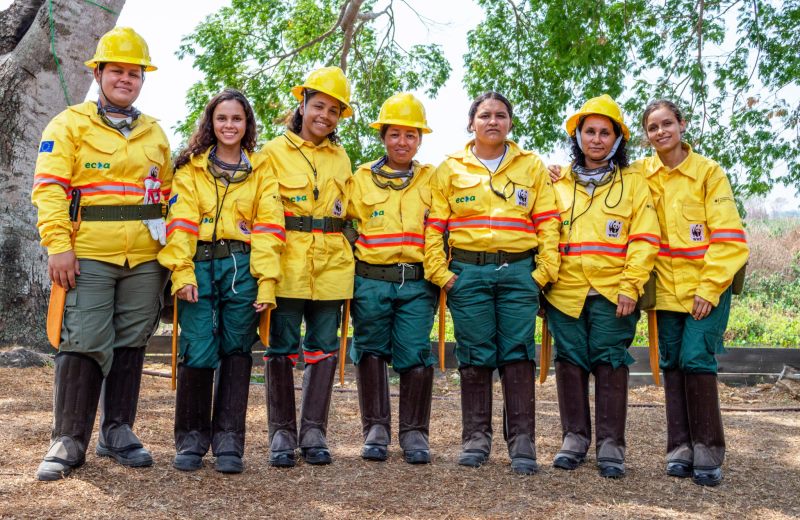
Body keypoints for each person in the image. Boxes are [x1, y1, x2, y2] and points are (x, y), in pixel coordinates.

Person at [32, 27, 171, 481]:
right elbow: (50, 188)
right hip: (87, 253)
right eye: (117, 71)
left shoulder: (155, 132)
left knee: (132, 340)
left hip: (145, 261)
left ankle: (118, 432)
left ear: (142, 80)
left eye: (134, 73)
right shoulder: (69, 123)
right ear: (98, 73)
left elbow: (167, 195)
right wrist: (58, 245)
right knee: (83, 338)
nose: (126, 79)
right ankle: (68, 438)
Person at [423, 92, 561, 475]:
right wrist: (442, 275)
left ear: (510, 123)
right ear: (471, 123)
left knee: (518, 354)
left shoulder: (531, 166)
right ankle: (475, 440)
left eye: (501, 115)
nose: (493, 121)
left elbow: (548, 222)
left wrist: (542, 273)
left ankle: (522, 443)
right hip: (468, 274)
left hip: (519, 273)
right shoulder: (450, 169)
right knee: (474, 353)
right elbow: (435, 227)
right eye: (484, 115)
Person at [157, 89, 284, 473]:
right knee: (197, 348)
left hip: (242, 269)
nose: (229, 125)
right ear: (211, 123)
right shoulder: (191, 169)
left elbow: (269, 228)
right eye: (222, 118)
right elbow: (179, 227)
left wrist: (266, 283)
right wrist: (181, 272)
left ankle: (230, 441)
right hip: (199, 265)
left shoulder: (262, 170)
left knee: (237, 350)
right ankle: (192, 440)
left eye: (237, 119)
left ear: (247, 126)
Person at [544, 94, 660, 478]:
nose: (596, 139)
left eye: (605, 133)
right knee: (569, 362)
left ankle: (611, 445)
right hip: (565, 292)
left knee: (611, 363)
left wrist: (631, 284)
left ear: (617, 139)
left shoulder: (634, 183)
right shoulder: (556, 183)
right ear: (577, 136)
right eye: (589, 131)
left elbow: (644, 239)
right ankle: (574, 439)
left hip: (614, 293)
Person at [639, 99, 748, 486]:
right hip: (665, 292)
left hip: (707, 288)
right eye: (653, 127)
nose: (661, 132)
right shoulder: (640, 175)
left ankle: (708, 450)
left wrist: (709, 287)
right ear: (646, 135)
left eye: (667, 123)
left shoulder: (708, 173)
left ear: (682, 125)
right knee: (672, 363)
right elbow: (602, 182)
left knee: (696, 359)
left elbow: (731, 239)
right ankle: (680, 449)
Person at [257, 66, 354, 467]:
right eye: (319, 106)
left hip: (332, 267)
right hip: (287, 264)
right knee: (280, 348)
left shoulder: (343, 158)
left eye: (334, 110)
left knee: (324, 349)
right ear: (302, 105)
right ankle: (281, 433)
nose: (325, 116)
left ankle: (314, 432)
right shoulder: (269, 153)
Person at [346, 93, 437, 464]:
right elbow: (343, 223)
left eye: (410, 135)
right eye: (395, 134)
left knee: (415, 353)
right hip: (370, 279)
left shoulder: (433, 178)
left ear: (419, 140)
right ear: (383, 136)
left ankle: (414, 433)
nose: (402, 142)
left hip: (416, 283)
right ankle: (376, 429)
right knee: (370, 350)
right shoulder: (360, 178)